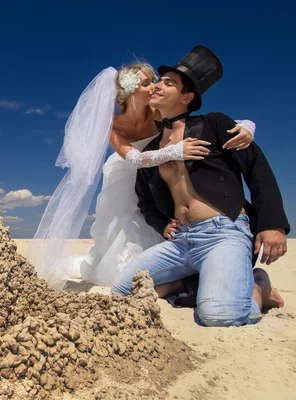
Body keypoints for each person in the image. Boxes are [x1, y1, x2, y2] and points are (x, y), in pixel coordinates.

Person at [28, 62, 255, 290]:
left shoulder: (159, 112)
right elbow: (135, 158)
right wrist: (173, 151)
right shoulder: (112, 123)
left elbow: (197, 120)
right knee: (124, 217)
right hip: (126, 169)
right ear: (130, 91)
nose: (155, 87)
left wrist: (247, 126)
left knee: (160, 207)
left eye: (154, 81)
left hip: (159, 173)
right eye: (147, 83)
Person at [111, 45, 290, 327]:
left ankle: (258, 288)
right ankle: (196, 281)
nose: (157, 86)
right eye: (158, 81)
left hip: (224, 231)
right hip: (181, 240)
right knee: (122, 291)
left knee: (218, 316)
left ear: (187, 97)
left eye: (168, 83)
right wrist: (162, 224)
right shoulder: (153, 149)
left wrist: (273, 224)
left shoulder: (213, 124)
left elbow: (255, 167)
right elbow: (144, 198)